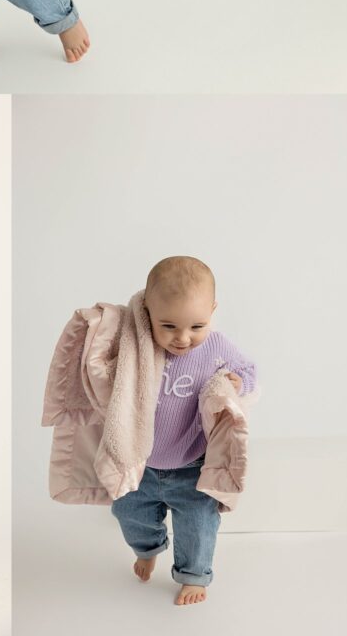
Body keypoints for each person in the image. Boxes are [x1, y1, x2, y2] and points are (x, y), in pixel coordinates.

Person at [110, 256, 257, 606]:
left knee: (197, 526)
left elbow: (248, 370)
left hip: (192, 465)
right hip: (141, 464)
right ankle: (148, 548)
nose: (183, 338)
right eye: (169, 326)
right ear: (146, 312)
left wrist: (239, 381)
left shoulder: (217, 346)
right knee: (129, 513)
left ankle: (193, 575)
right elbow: (106, 367)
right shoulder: (138, 345)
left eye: (196, 326)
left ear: (212, 310)